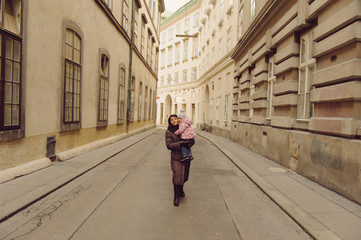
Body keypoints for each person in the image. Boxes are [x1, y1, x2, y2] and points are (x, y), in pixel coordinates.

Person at [165, 114, 195, 206]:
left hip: (185, 156)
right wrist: (180, 143)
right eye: (172, 120)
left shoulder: (183, 127)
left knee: (184, 175)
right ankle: (176, 196)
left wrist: (190, 142)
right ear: (169, 122)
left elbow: (192, 140)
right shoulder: (168, 132)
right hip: (176, 157)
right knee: (177, 175)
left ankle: (181, 189)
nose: (174, 121)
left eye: (175, 119)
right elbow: (169, 145)